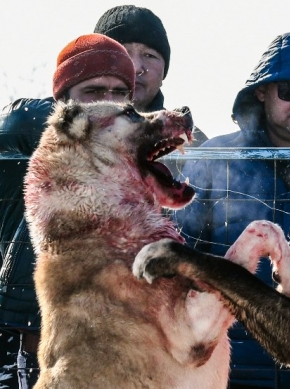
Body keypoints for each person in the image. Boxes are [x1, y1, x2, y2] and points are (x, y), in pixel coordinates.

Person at [175, 32, 290, 388]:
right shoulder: (214, 160)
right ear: (262, 92)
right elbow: (180, 263)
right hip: (225, 372)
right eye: (289, 89)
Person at [0, 33, 136, 389]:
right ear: (63, 98)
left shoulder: (136, 156)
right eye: (93, 92)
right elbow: (16, 122)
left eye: (119, 93)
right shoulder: (33, 132)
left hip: (106, 331)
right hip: (27, 326)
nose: (108, 104)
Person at [94, 4, 207, 145]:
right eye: (123, 53)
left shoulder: (189, 144)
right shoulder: (65, 136)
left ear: (164, 72)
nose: (136, 68)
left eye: (149, 55)